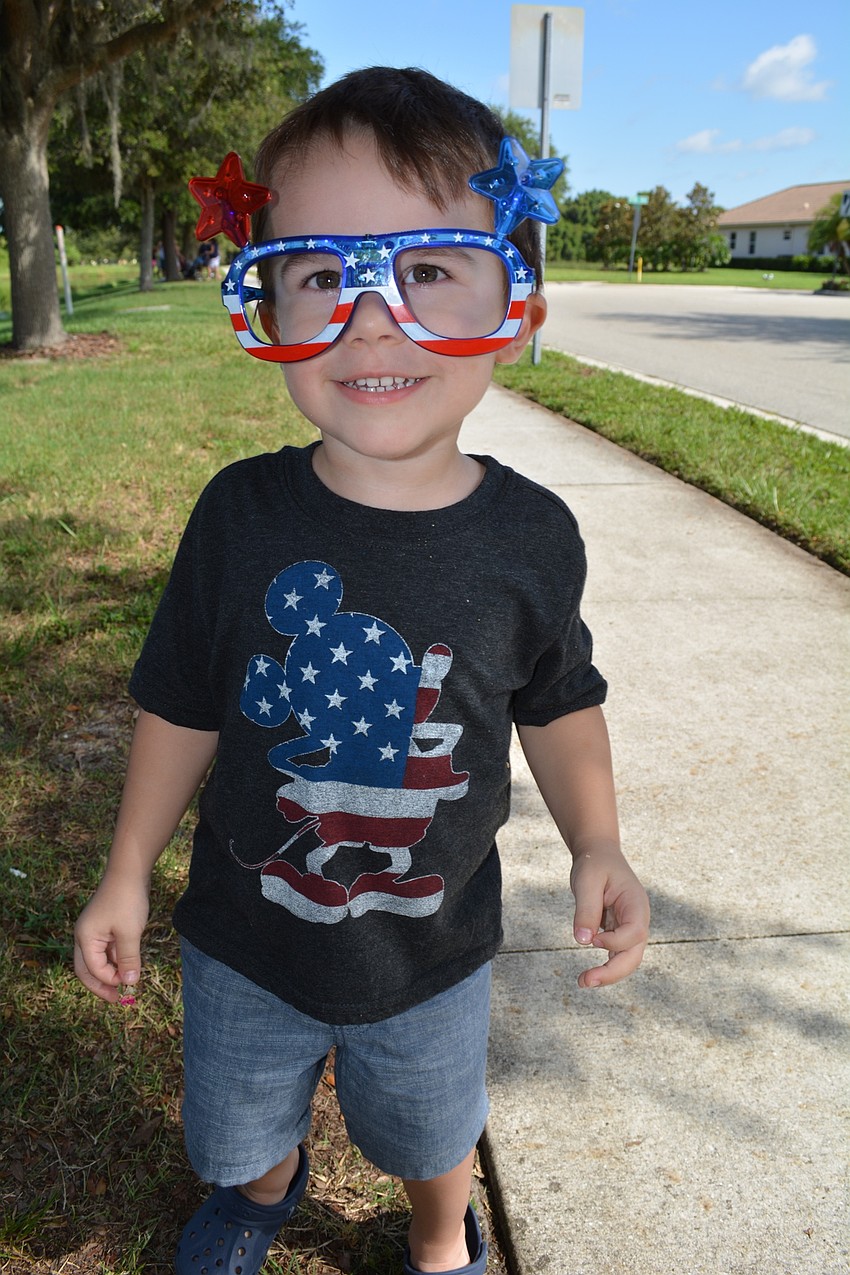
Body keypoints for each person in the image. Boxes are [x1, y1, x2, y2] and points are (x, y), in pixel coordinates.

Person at [74, 66, 650, 1275]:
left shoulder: (532, 536)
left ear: (519, 300)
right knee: (236, 1124)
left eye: (428, 267)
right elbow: (180, 699)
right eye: (326, 274)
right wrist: (127, 869)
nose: (374, 318)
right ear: (269, 306)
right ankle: (258, 1196)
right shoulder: (239, 518)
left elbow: (559, 702)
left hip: (432, 953)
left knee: (429, 1128)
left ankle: (443, 1234)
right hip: (246, 934)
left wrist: (598, 843)